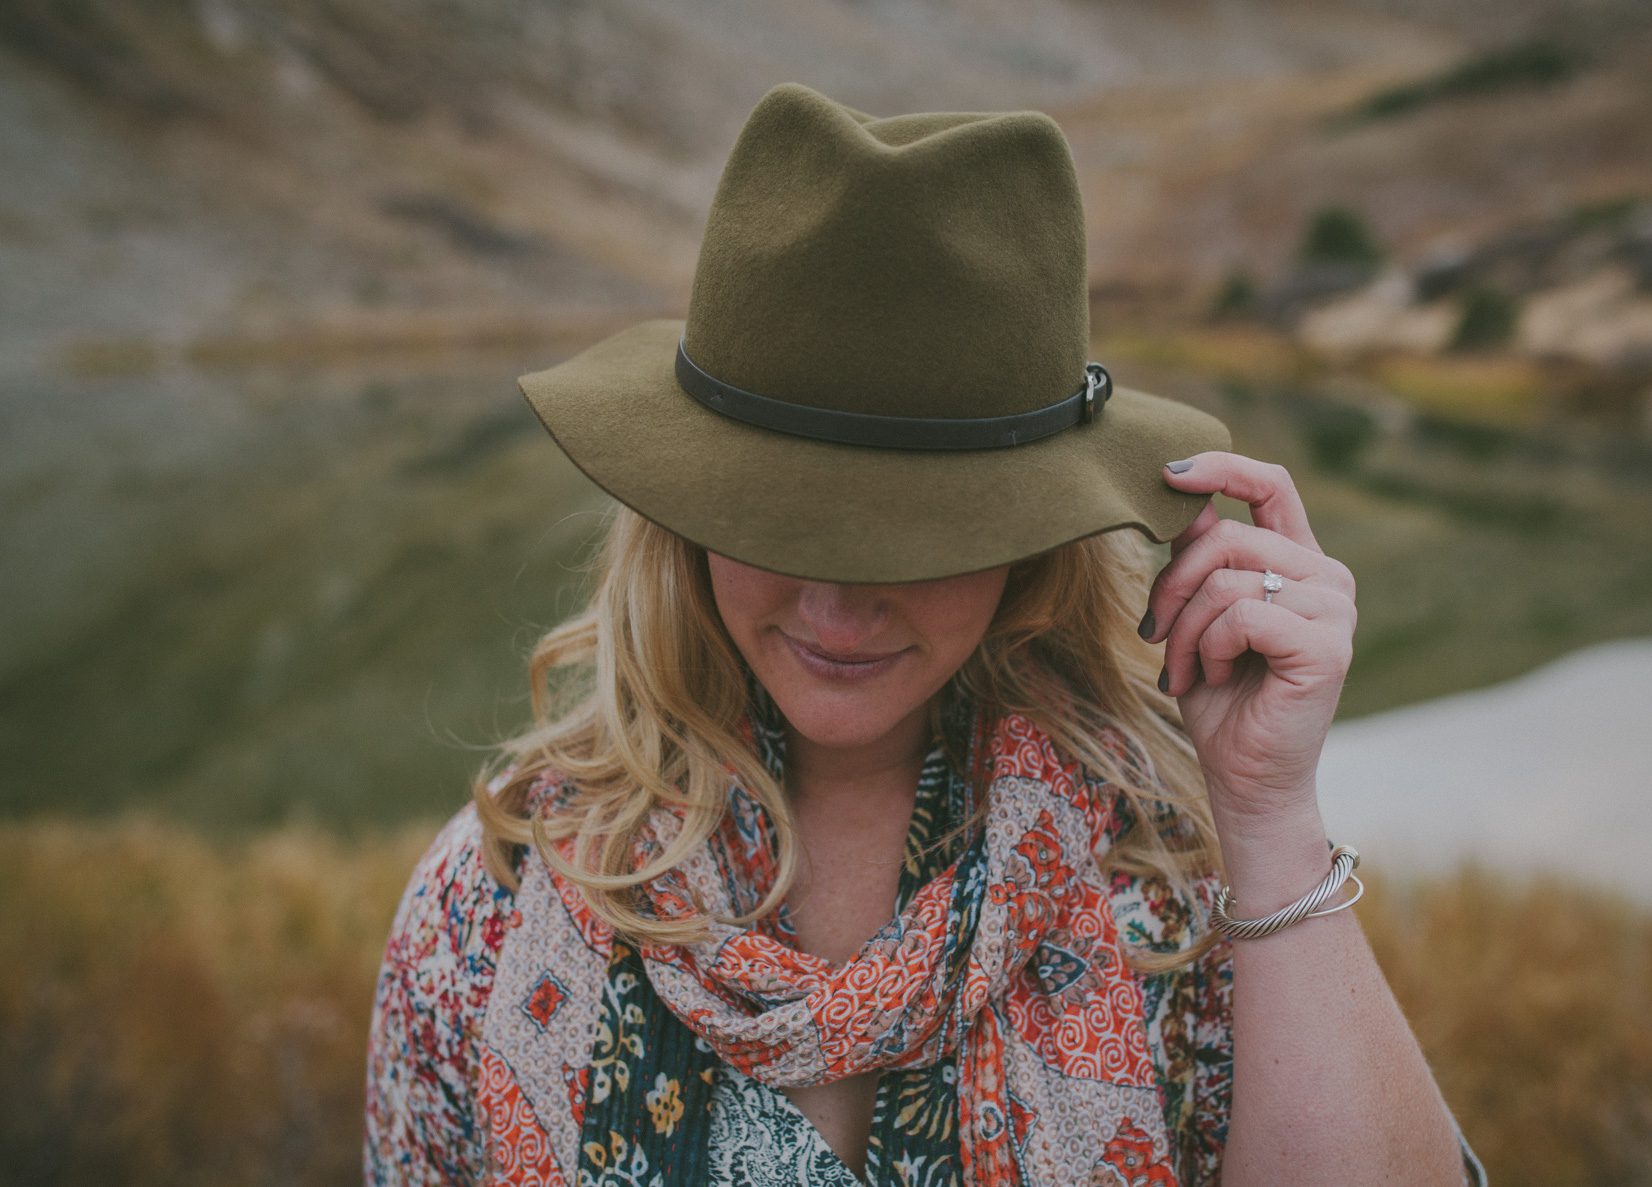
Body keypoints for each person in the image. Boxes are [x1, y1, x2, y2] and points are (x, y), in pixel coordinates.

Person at [363, 81, 1488, 1186]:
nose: (840, 607)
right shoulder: (496, 897)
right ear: (682, 509)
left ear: (1034, 536)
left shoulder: (1173, 880)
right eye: (779, 519)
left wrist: (1267, 810)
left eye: (920, 535)